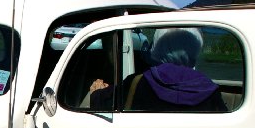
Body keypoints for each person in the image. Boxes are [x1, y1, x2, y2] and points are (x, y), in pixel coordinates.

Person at [90, 27, 226, 112]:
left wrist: (96, 93)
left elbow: (107, 106)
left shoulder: (138, 82)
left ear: (157, 45)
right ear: (196, 48)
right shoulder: (209, 90)